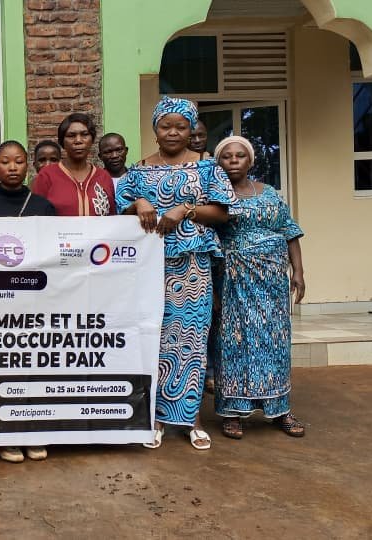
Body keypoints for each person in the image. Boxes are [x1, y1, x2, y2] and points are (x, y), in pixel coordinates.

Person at [116, 96, 237, 451]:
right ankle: (153, 418)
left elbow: (224, 211)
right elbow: (121, 207)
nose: (172, 132)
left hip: (192, 267)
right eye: (165, 126)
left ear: (191, 130)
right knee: (153, 340)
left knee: (191, 342)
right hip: (147, 267)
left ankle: (192, 420)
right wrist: (140, 203)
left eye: (180, 127)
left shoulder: (207, 167)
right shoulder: (137, 170)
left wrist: (185, 209)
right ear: (154, 130)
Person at [212, 136, 306, 439]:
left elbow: (289, 231)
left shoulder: (270, 194)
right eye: (227, 157)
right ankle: (232, 412)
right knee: (235, 342)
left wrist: (299, 272)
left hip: (272, 282)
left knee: (274, 342)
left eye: (241, 155)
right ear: (219, 162)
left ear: (251, 161)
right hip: (234, 280)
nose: (234, 160)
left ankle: (280, 409)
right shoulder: (214, 198)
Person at [0, 141, 54, 463]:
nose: (13, 167)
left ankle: (33, 432)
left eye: (19, 161)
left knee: (33, 368)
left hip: (33, 300)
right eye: (6, 161)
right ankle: (3, 436)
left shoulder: (43, 206)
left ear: (28, 166)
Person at [31, 113, 115, 216]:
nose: (78, 141)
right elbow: (35, 218)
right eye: (71, 136)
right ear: (62, 142)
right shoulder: (47, 176)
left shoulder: (104, 177)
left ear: (92, 140)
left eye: (84, 134)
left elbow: (112, 219)